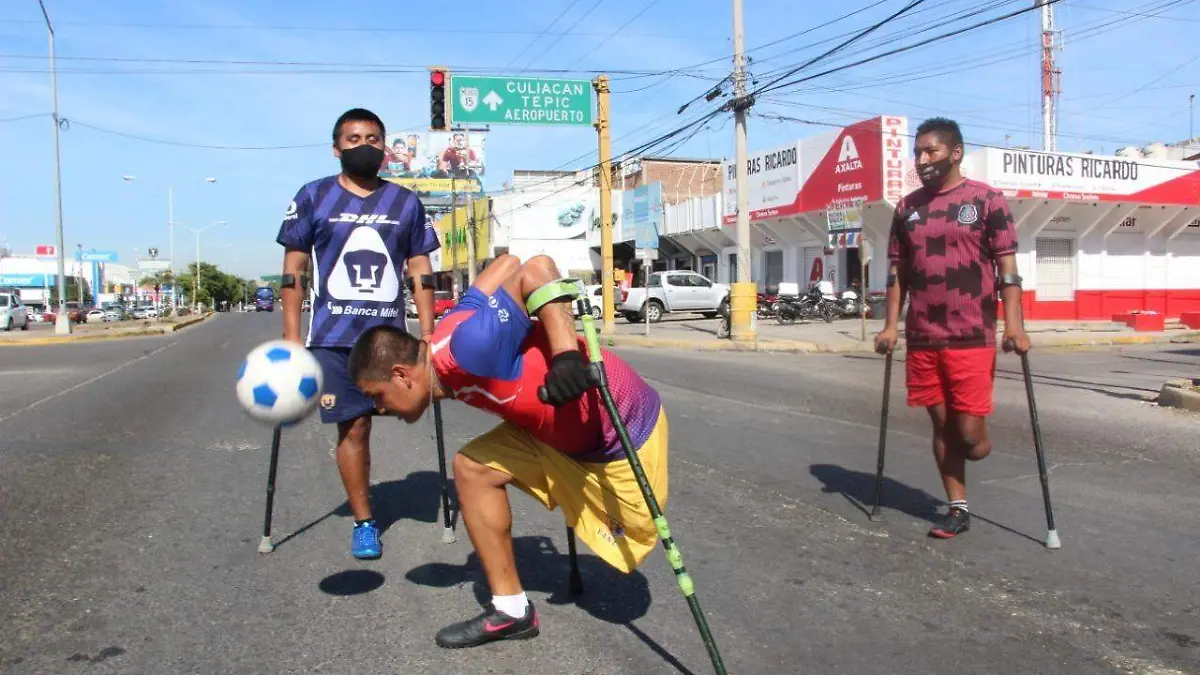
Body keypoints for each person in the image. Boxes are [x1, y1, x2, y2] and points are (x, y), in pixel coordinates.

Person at [347, 253, 669, 649]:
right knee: (471, 468)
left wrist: (566, 357)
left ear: (401, 375)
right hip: (552, 435)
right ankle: (512, 611)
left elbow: (535, 267)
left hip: (617, 433)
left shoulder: (467, 348)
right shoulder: (451, 332)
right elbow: (506, 263)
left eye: (377, 397)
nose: (379, 410)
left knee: (629, 548)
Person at [276, 107, 439, 560]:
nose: (363, 145)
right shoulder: (312, 197)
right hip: (334, 337)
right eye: (353, 139)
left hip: (390, 339)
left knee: (418, 409)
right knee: (355, 428)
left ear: (385, 148)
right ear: (336, 148)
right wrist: (292, 337)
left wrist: (428, 331)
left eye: (372, 138)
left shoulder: (405, 202)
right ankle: (364, 520)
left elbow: (420, 269)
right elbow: (294, 271)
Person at [874, 117, 1031, 540]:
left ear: (955, 153)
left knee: (968, 436)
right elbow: (897, 274)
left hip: (972, 335)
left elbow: (1008, 270)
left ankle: (979, 441)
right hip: (923, 335)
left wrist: (1013, 327)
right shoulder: (907, 208)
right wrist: (891, 326)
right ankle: (957, 507)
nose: (922, 160)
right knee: (941, 426)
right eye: (918, 152)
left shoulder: (986, 201)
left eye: (931, 151)